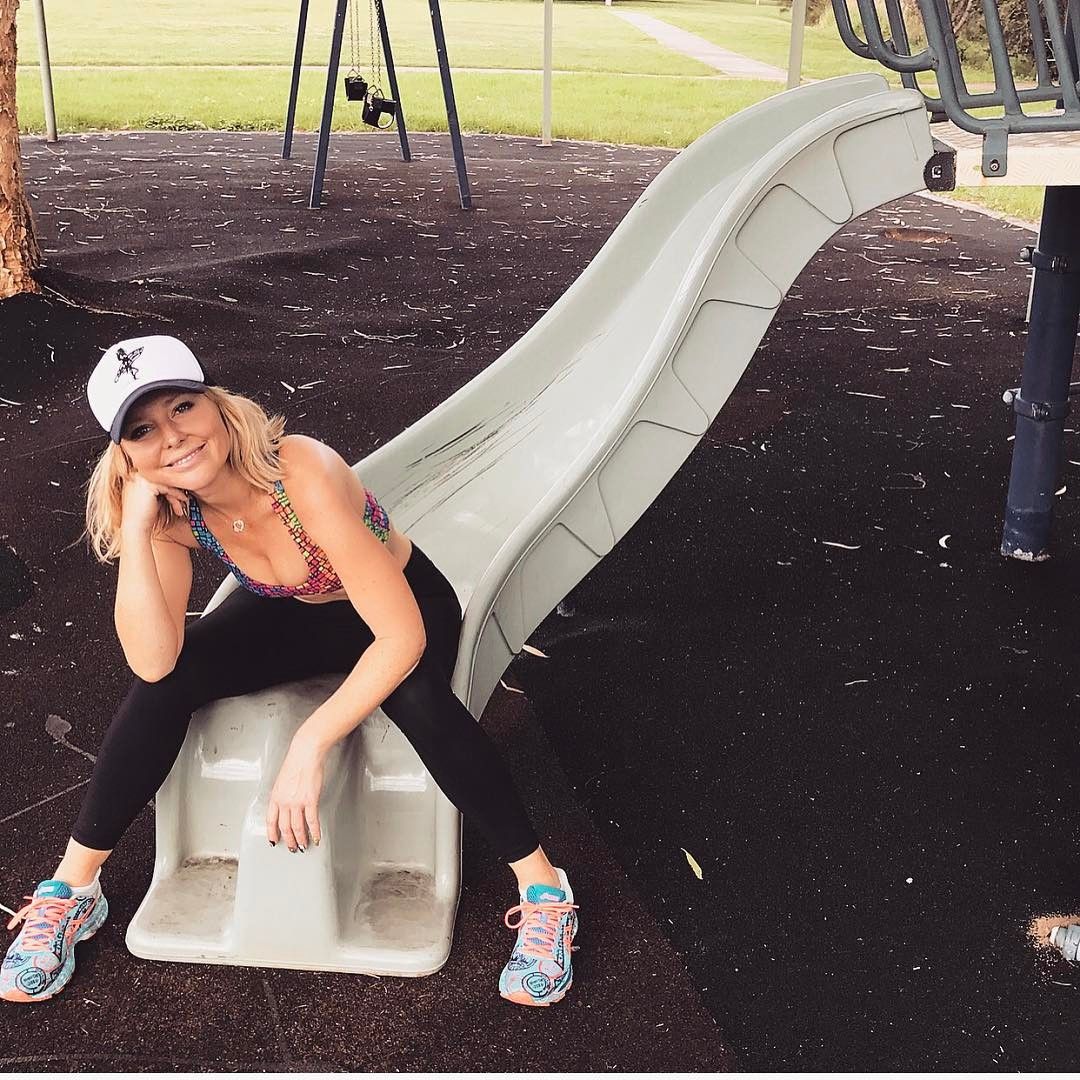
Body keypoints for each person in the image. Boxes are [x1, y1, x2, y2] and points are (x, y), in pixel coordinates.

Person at [1, 335, 578, 1007]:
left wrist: (311, 742)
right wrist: (136, 528)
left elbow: (400, 637)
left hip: (399, 607)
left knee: (418, 700)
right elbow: (153, 659)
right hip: (294, 611)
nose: (174, 437)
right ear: (125, 454)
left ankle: (543, 887)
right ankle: (74, 888)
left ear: (216, 405)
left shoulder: (300, 471)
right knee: (166, 685)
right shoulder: (172, 511)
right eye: (142, 430)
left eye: (183, 407)